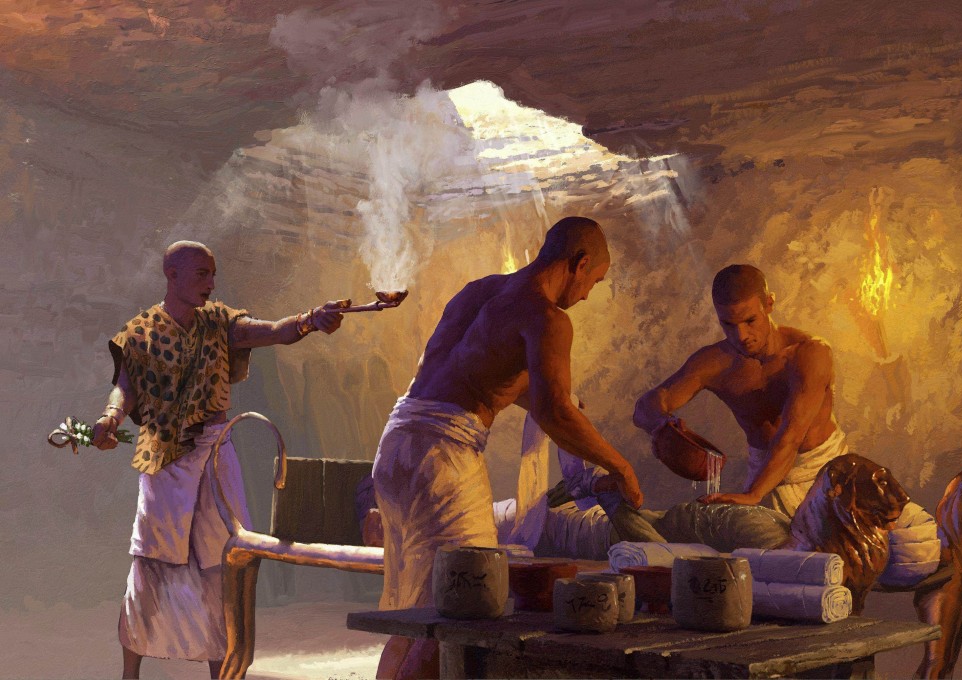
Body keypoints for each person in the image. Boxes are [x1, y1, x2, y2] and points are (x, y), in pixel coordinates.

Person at [371, 216, 643, 679]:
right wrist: (621, 467)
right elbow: (553, 411)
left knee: (418, 606)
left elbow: (484, 376)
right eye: (593, 281)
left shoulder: (479, 292)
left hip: (398, 445)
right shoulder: (546, 318)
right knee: (460, 603)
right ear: (578, 264)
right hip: (443, 458)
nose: (588, 293)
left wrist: (565, 404)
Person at [90, 240, 348, 679]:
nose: (211, 283)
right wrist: (111, 416)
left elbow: (274, 331)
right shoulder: (140, 332)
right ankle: (128, 676)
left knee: (223, 567)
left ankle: (223, 675)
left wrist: (310, 321)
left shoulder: (220, 323)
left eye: (213, 274)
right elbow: (126, 387)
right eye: (202, 274)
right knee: (151, 565)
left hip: (215, 455)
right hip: (164, 461)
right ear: (172, 276)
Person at [633, 264, 845, 518]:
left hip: (821, 473)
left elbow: (792, 435)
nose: (741, 335)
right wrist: (660, 426)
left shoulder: (809, 353)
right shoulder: (714, 362)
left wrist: (754, 495)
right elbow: (648, 405)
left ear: (769, 304)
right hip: (762, 479)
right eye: (728, 324)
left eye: (749, 321)